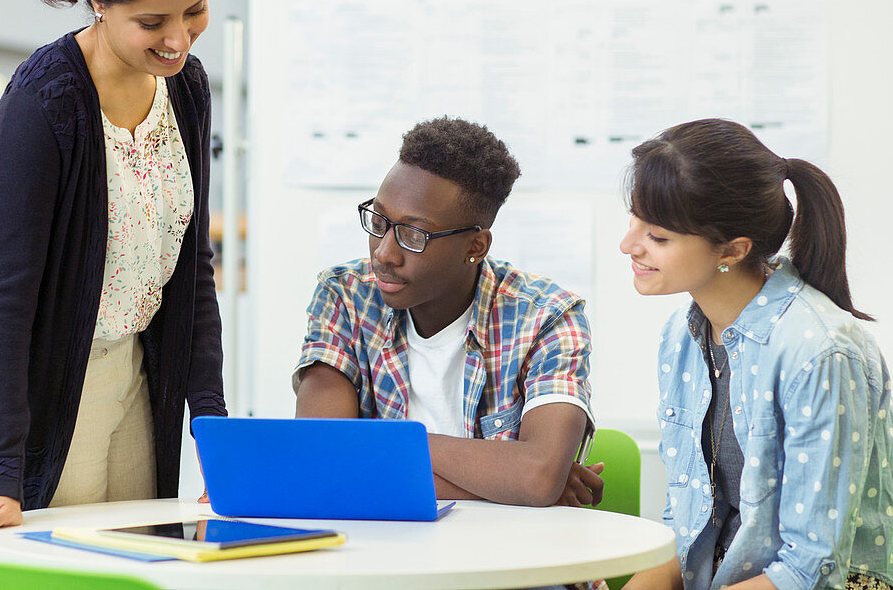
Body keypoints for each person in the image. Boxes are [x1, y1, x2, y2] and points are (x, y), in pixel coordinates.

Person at [0, 0, 225, 550]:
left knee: (142, 562)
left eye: (194, 11)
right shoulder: (45, 102)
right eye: (153, 21)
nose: (179, 39)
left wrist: (215, 438)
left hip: (137, 378)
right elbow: (2, 302)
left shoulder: (186, 89)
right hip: (42, 395)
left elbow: (192, 275)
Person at [619, 119, 893, 590]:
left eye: (658, 237)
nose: (629, 245)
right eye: (634, 221)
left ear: (733, 249)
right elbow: (684, 530)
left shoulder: (820, 350)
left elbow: (812, 569)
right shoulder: (682, 336)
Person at [293, 117, 603, 508]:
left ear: (475, 246)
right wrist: (508, 481)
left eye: (413, 235)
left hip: (519, 561)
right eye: (379, 221)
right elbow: (320, 460)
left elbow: (536, 476)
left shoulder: (548, 317)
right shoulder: (345, 295)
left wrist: (388, 445)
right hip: (384, 557)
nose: (383, 253)